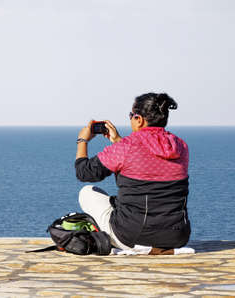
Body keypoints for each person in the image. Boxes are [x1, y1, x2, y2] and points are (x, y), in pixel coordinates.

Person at [75, 92, 190, 250]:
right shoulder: (181, 147)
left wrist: (82, 140)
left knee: (87, 192)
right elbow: (149, 161)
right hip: (176, 237)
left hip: (132, 236)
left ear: (139, 119)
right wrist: (117, 141)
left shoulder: (126, 147)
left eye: (131, 115)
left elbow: (84, 172)